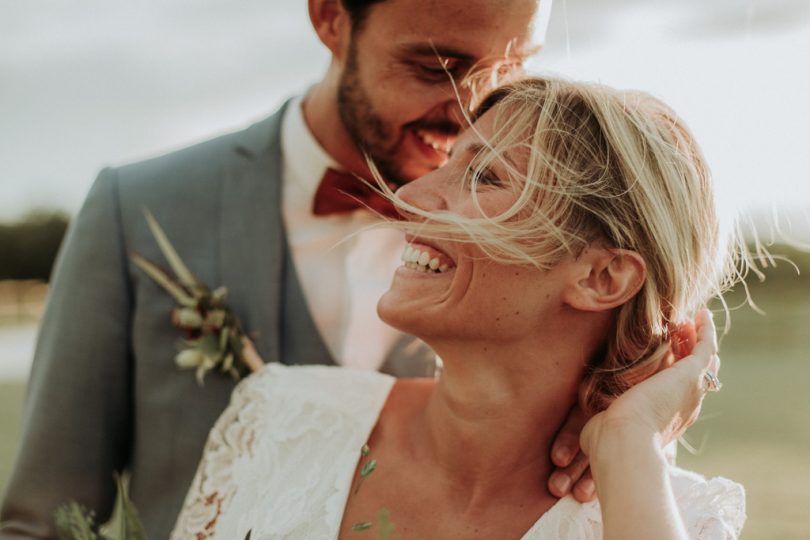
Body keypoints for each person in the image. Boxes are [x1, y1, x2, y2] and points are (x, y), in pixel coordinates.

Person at [0, 1, 610, 539]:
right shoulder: (135, 210)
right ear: (330, 18)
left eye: (508, 69)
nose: (470, 109)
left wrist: (656, 376)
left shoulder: (537, 254)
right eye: (437, 69)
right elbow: (42, 522)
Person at [171, 76, 747, 539]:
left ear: (602, 276)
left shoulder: (670, 518)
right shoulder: (279, 419)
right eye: (447, 162)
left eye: (486, 176)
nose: (410, 198)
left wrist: (628, 441)